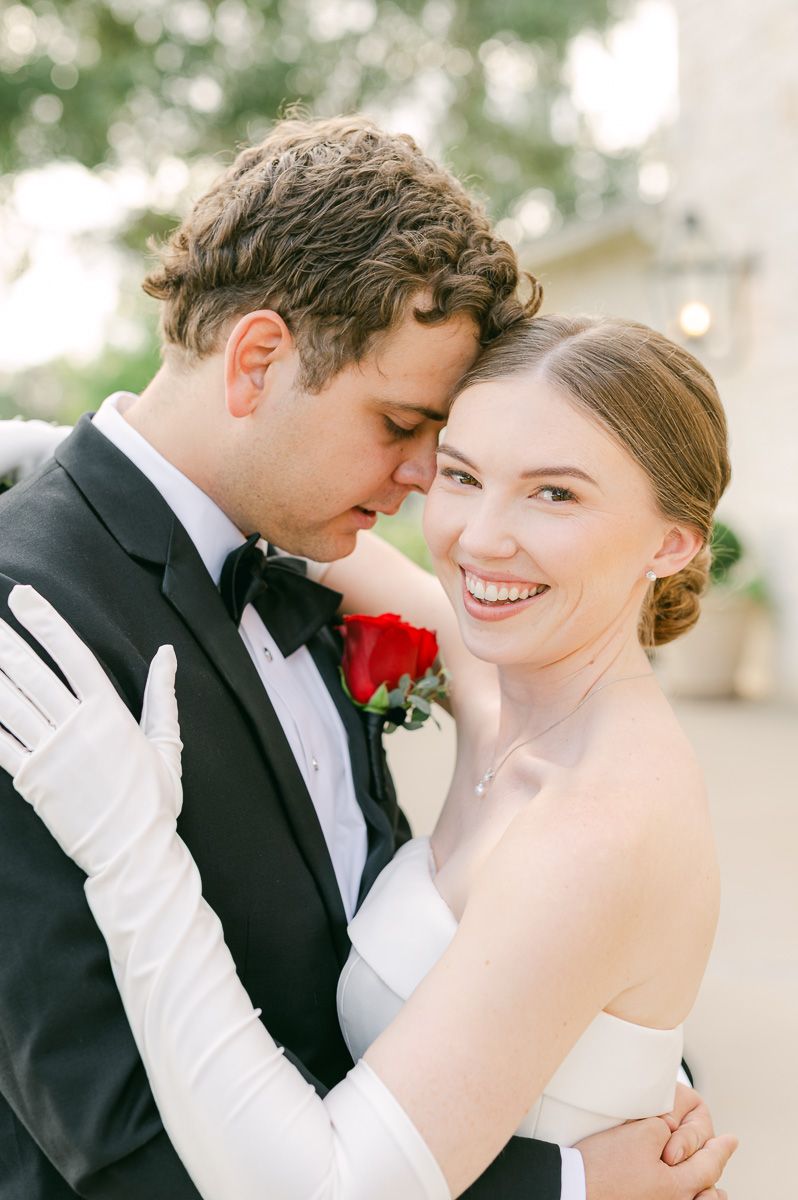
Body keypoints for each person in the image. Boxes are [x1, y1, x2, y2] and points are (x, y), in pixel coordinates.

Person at [0, 301, 737, 1200]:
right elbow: (217, 498)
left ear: (672, 541)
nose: (480, 537)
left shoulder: (594, 829)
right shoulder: (499, 677)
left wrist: (131, 844)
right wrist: (45, 452)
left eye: (557, 493)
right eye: (462, 475)